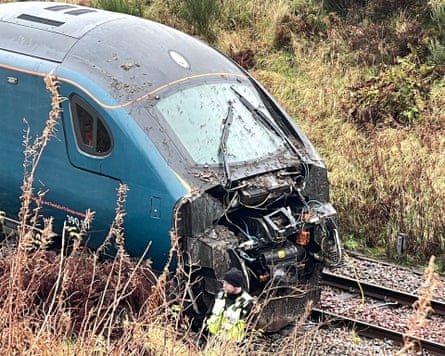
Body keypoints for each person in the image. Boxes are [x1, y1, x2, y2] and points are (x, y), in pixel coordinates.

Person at [205, 267, 254, 343]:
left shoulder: (247, 303)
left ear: (236, 285)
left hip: (232, 346)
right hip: (212, 341)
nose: (224, 285)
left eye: (227, 284)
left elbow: (249, 329)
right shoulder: (219, 295)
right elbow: (208, 315)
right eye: (224, 282)